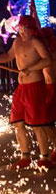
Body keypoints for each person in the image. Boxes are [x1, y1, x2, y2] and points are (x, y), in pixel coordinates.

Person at [0, 16, 54, 169]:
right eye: (20, 28)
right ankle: (25, 156)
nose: (21, 31)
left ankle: (45, 158)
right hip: (21, 89)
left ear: (31, 29)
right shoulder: (17, 42)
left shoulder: (36, 43)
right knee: (17, 123)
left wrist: (31, 68)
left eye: (24, 28)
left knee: (37, 125)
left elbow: (47, 60)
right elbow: (8, 56)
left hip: (35, 87)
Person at [39, 27, 56, 162]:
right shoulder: (44, 51)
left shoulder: (51, 53)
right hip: (47, 88)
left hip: (53, 88)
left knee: (46, 121)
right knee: (45, 122)